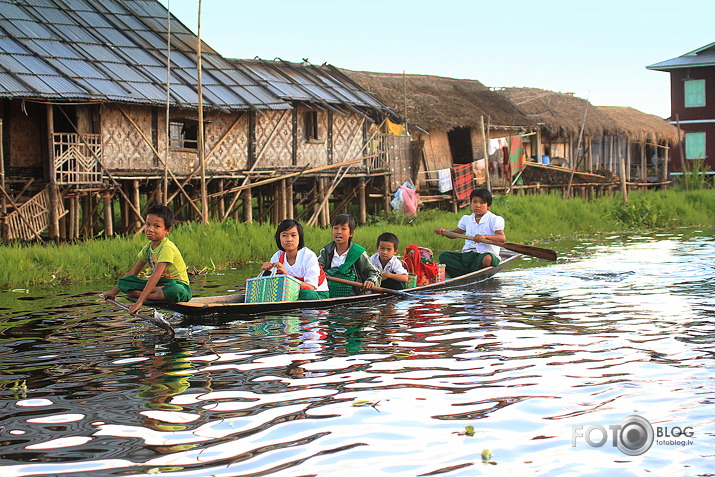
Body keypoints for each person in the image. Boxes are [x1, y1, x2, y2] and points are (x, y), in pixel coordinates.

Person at [102, 204, 191, 315]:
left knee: (175, 290)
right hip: (160, 285)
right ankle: (154, 291)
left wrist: (140, 301)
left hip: (178, 286)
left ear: (167, 230)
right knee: (125, 281)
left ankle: (145, 294)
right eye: (148, 224)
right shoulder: (148, 248)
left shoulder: (167, 248)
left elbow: (155, 275)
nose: (150, 229)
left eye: (156, 226)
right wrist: (113, 292)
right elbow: (133, 272)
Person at [434, 187, 506, 277]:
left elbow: (501, 238)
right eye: (475, 202)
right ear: (471, 203)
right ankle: (469, 271)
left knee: (487, 259)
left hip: (485, 255)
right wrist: (443, 231)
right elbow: (455, 233)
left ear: (488, 205)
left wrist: (484, 237)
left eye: (482, 202)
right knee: (444, 256)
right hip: (468, 256)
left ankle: (464, 272)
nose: (477, 205)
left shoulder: (494, 219)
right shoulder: (466, 219)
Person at [261, 219, 329, 300]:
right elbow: (270, 284)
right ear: (278, 238)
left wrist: (286, 276)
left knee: (307, 294)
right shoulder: (277, 256)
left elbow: (311, 287)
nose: (289, 239)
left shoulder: (308, 256)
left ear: (299, 237)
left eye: (293, 235)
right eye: (284, 235)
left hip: (317, 293)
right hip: (288, 293)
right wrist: (265, 272)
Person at [318, 214, 381, 297]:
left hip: (353, 294)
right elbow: (315, 269)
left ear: (351, 233)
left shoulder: (358, 252)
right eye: (335, 228)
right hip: (329, 293)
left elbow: (375, 273)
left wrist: (370, 281)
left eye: (343, 229)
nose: (338, 232)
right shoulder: (326, 251)